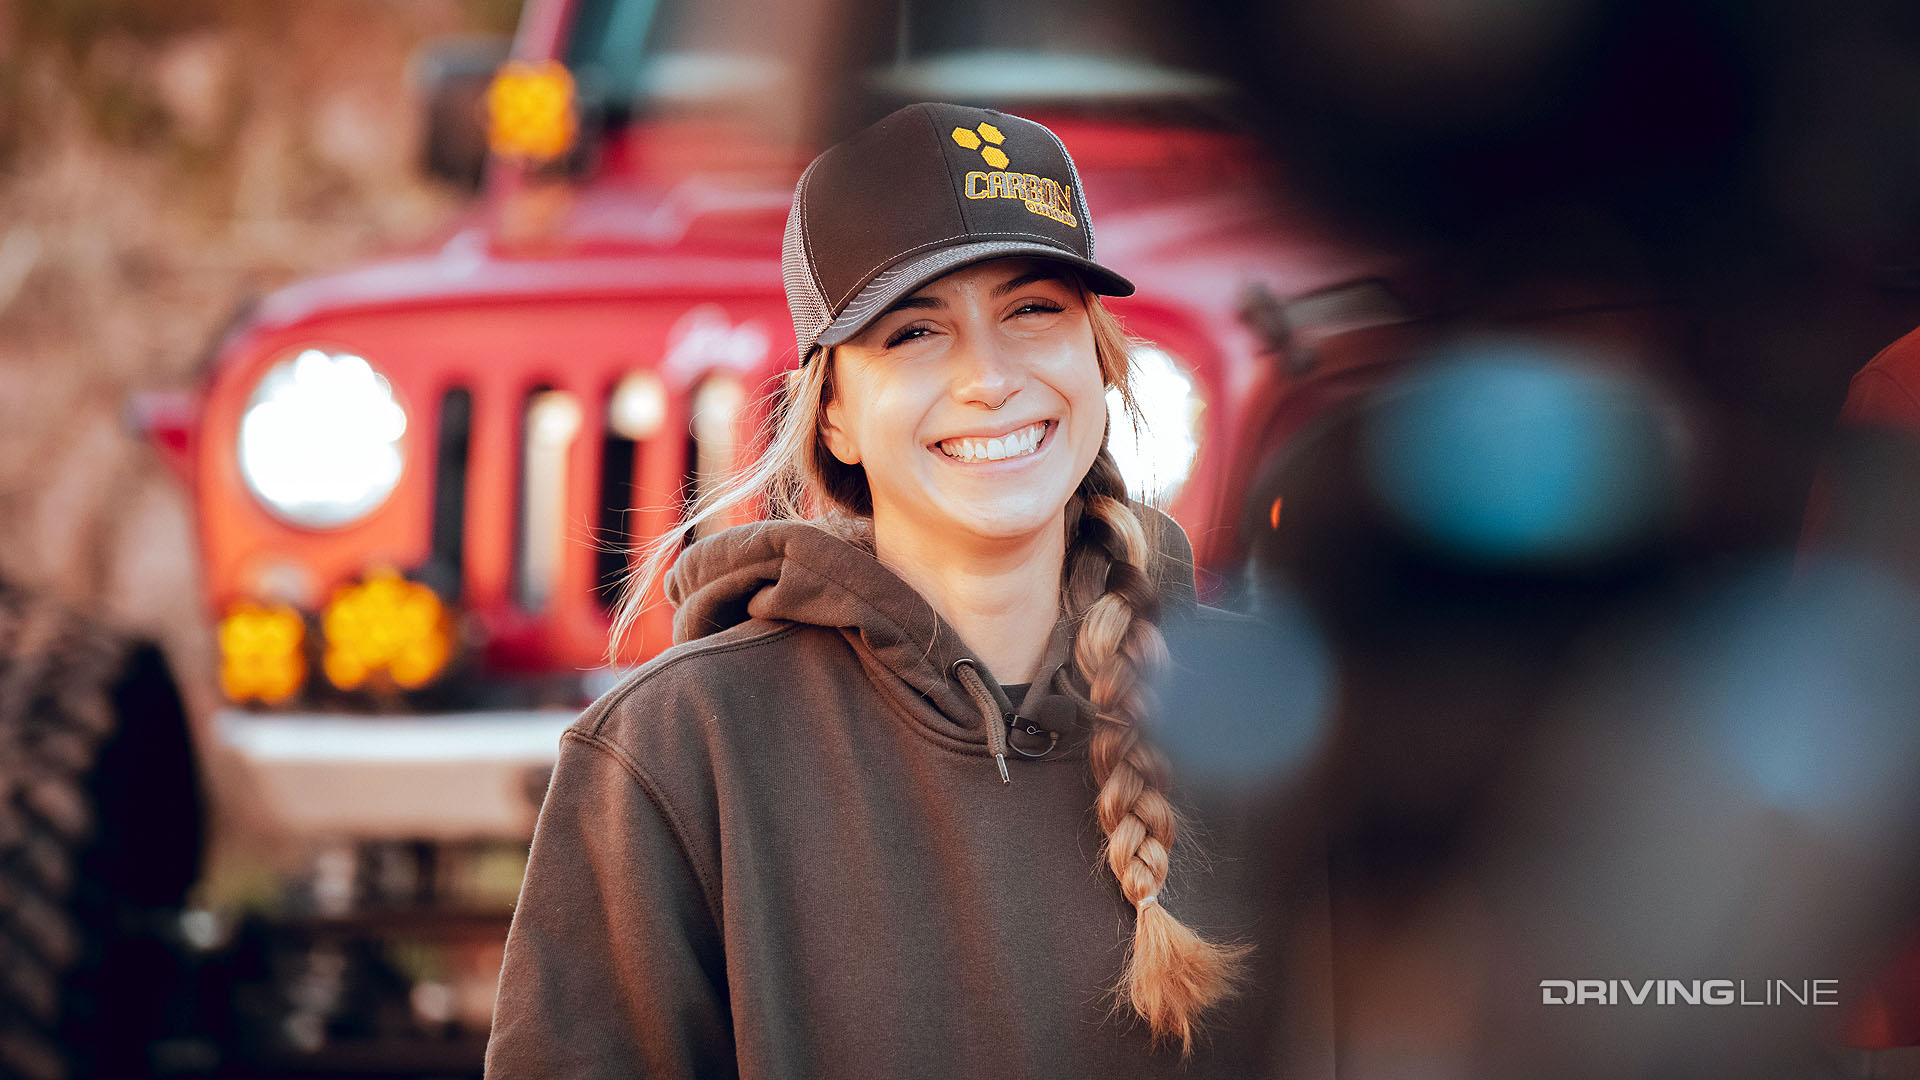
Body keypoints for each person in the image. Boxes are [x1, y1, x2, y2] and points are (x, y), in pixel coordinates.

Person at [485, 102, 1323, 1079]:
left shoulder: (1267, 713)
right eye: (916, 331)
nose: (988, 379)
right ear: (833, 415)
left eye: (1033, 310)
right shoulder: (676, 748)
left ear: (1098, 357)